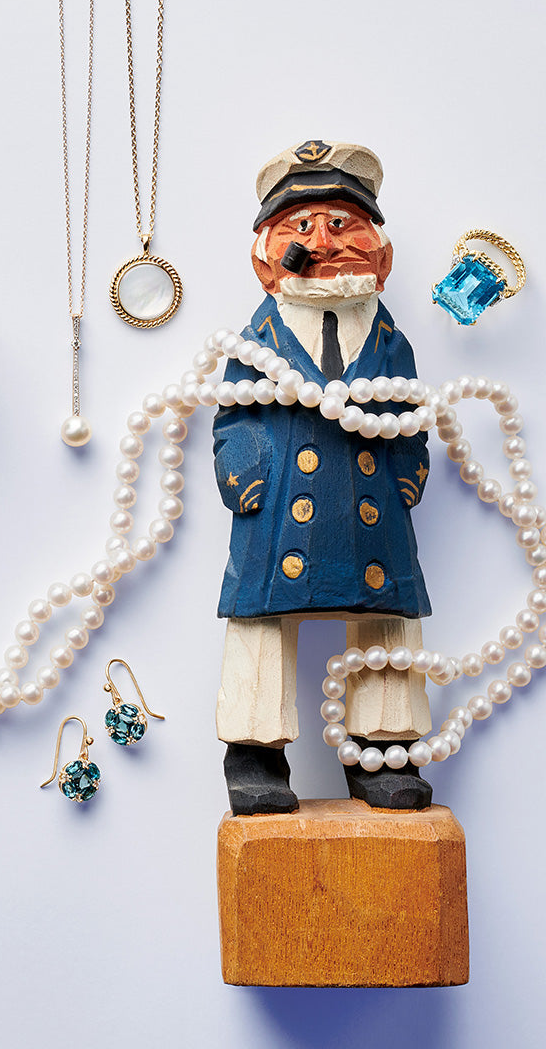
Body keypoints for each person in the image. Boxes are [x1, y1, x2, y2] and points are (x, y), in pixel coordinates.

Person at [213, 140, 433, 814]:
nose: (322, 243)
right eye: (300, 227)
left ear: (382, 257)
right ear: (265, 260)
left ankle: (384, 748)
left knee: (386, 625)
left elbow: (411, 413)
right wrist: (242, 472)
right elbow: (233, 415)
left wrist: (410, 470)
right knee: (260, 623)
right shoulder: (256, 342)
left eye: (342, 224)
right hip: (279, 503)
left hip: (371, 503)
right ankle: (255, 754)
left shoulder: (391, 342)